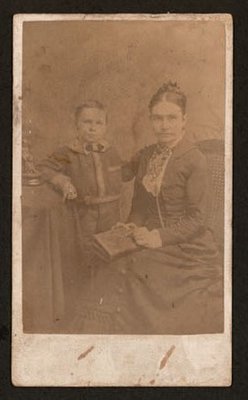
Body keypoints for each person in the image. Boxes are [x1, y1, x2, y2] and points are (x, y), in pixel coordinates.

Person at [71, 82, 224, 335]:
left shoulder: (195, 159)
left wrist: (157, 237)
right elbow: (141, 205)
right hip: (148, 234)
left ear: (184, 120)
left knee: (133, 267)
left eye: (171, 118)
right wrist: (132, 224)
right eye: (158, 118)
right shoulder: (147, 155)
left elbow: (198, 220)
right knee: (104, 256)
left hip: (187, 247)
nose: (164, 125)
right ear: (151, 120)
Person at [37, 100, 123, 319]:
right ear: (76, 125)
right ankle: (84, 308)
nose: (92, 128)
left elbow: (125, 173)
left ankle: (105, 306)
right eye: (86, 122)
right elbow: (43, 168)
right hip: (83, 214)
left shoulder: (111, 152)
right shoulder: (67, 152)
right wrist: (63, 181)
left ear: (105, 126)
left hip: (112, 213)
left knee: (111, 255)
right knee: (85, 256)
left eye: (98, 123)